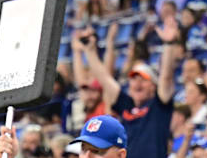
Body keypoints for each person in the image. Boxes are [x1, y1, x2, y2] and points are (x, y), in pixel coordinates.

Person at [76, 15, 179, 158]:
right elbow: (105, 79)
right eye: (133, 79)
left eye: (143, 79)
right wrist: (89, 51)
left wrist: (169, 44)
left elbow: (166, 76)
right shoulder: (126, 105)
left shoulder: (159, 105)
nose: (137, 83)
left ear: (153, 86)